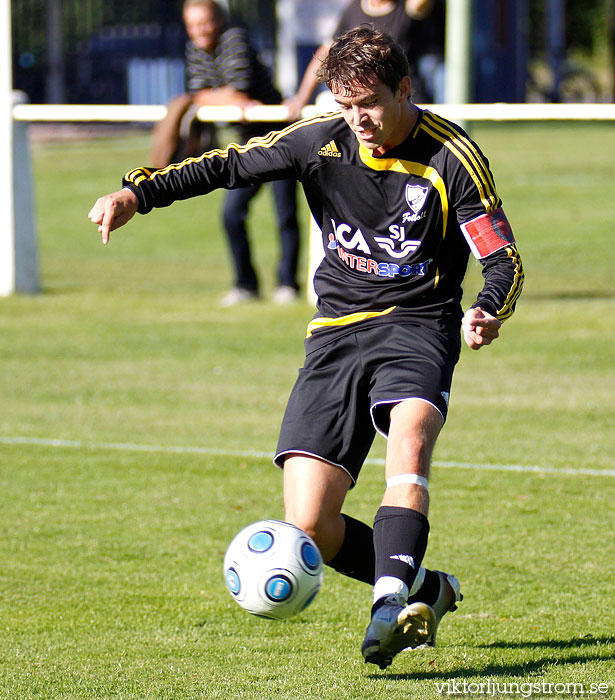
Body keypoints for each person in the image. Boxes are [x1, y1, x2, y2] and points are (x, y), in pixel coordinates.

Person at [89, 27, 524, 669]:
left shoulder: (453, 158)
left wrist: (488, 308)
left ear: (405, 90)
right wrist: (136, 192)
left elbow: (502, 256)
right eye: (346, 106)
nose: (359, 121)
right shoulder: (319, 139)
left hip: (418, 324)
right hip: (336, 333)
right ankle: (424, 586)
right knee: (312, 526)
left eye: (370, 104)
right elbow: (225, 164)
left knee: (410, 435)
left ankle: (388, 604)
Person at [151, 0, 301, 305]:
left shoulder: (234, 39)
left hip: (279, 136)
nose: (199, 31)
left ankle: (288, 284)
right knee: (232, 214)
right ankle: (245, 285)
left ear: (218, 21)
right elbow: (204, 94)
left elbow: (238, 91)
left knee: (284, 213)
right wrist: (214, 97)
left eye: (205, 23)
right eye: (192, 26)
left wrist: (212, 97)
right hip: (244, 145)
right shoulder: (194, 48)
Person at [285, 0, 439, 120]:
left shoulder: (407, 7)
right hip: (360, 101)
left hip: (403, 100)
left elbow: (419, 7)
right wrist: (301, 98)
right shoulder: (353, 9)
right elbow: (325, 53)